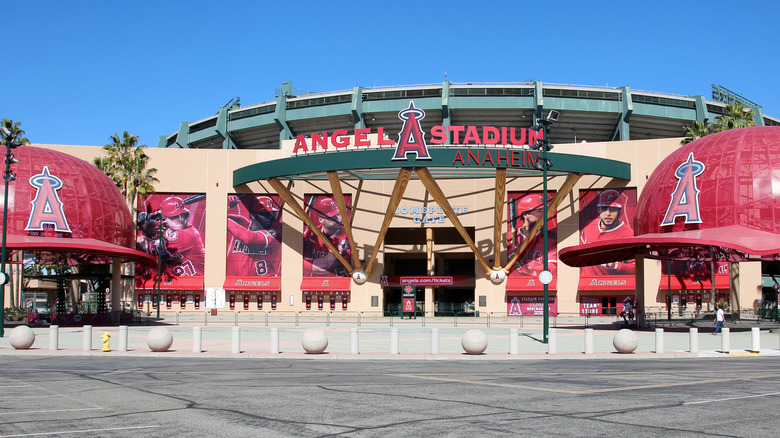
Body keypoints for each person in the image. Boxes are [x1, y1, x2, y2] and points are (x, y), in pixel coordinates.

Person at [137, 196, 205, 277]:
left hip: (195, 281)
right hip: (173, 281)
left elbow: (150, 248)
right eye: (174, 216)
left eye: (182, 215)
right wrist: (143, 223)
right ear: (165, 219)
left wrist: (137, 235)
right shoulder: (165, 226)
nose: (180, 219)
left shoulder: (188, 234)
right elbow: (149, 227)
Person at [580, 189, 635, 276]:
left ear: (620, 212)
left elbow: (636, 268)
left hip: (610, 284)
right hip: (585, 283)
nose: (608, 213)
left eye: (613, 209)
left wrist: (616, 265)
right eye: (604, 208)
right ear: (599, 210)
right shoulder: (588, 226)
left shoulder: (628, 234)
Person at [226, 195, 282, 277]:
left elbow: (251, 239)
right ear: (253, 215)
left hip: (266, 283)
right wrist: (227, 206)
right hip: (241, 283)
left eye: (272, 214)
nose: (270, 217)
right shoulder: (243, 223)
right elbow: (216, 218)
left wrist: (226, 221)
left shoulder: (275, 233)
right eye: (265, 214)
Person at [509, 194, 558, 276]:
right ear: (525, 214)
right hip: (513, 284)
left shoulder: (550, 239)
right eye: (539, 211)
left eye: (544, 211)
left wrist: (527, 268)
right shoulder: (510, 238)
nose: (543, 215)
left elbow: (552, 269)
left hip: (539, 284)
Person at [303, 196, 351, 277]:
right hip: (315, 285)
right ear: (320, 219)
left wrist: (296, 260)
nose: (339, 219)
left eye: (338, 214)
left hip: (339, 284)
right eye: (332, 216)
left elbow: (322, 267)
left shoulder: (345, 236)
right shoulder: (311, 233)